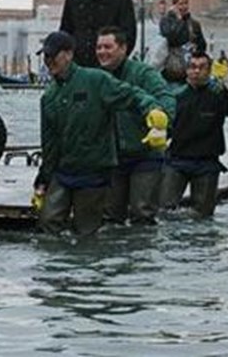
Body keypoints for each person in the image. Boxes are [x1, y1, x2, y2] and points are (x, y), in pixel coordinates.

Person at [32, 30, 168, 236]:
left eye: (53, 55)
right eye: (46, 56)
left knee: (88, 232)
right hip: (62, 172)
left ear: (68, 54)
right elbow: (49, 143)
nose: (48, 60)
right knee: (48, 223)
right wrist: (42, 180)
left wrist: (152, 110)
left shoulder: (95, 80)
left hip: (93, 172)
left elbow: (131, 95)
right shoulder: (49, 96)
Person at [95, 26, 176, 225]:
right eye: (98, 47)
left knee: (142, 213)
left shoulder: (143, 74)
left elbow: (167, 98)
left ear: (123, 49)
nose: (102, 52)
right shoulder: (97, 78)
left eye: (108, 47)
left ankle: (142, 254)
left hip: (145, 155)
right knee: (110, 217)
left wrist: (161, 121)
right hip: (113, 159)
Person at [161, 52, 228, 218]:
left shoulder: (218, 94)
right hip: (177, 160)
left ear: (209, 70)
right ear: (186, 70)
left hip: (207, 162)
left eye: (201, 67)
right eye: (192, 67)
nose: (196, 71)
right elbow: (165, 125)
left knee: (203, 215)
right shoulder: (176, 95)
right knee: (163, 210)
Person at [158, 0, 207, 82]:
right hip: (171, 70)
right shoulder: (166, 21)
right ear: (174, 6)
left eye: (186, 3)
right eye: (180, 4)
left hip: (190, 71)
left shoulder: (194, 24)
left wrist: (195, 48)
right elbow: (172, 38)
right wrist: (179, 19)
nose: (184, 7)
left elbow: (202, 45)